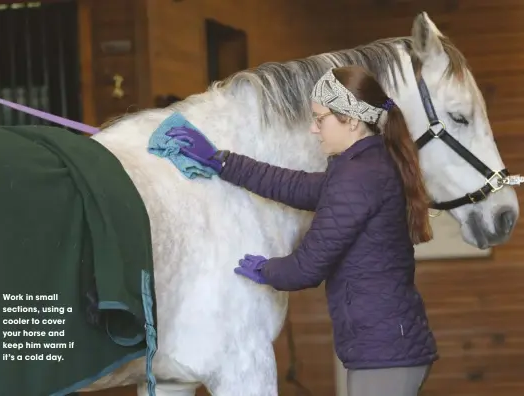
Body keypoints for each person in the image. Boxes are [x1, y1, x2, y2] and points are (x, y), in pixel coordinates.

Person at [165, 65, 438, 396]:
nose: (313, 128)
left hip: (385, 352)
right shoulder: (362, 168)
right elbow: (293, 185)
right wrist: (222, 162)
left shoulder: (358, 176)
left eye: (320, 119)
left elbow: (307, 267)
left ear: (351, 120)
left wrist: (266, 270)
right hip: (386, 346)